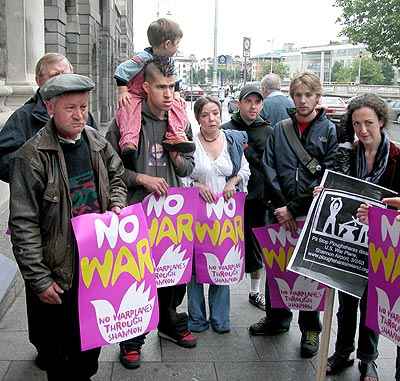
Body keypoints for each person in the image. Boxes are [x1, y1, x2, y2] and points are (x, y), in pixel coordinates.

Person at [9, 73, 127, 381]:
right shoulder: (31, 156)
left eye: (83, 107)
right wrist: (39, 279)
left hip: (98, 265)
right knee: (61, 354)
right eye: (70, 108)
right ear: (50, 108)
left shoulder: (96, 142)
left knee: (91, 345)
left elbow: (117, 176)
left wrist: (116, 202)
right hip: (59, 272)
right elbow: (23, 224)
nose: (79, 115)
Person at [106, 57, 197, 369]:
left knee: (173, 279)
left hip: (172, 217)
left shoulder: (180, 120)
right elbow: (110, 169)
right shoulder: (125, 119)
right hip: (137, 214)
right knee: (137, 278)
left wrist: (177, 154)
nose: (168, 93)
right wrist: (140, 178)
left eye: (172, 87)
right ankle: (131, 341)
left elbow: (189, 167)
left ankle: (170, 323)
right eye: (161, 87)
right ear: (145, 87)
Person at [249, 72, 337, 359]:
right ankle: (277, 318)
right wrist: (280, 206)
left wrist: (294, 208)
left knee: (310, 272)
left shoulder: (329, 130)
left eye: (307, 95)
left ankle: (311, 327)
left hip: (310, 213)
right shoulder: (280, 129)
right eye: (297, 94)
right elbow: (268, 167)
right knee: (277, 267)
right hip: (279, 210)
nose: (301, 100)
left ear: (317, 97)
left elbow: (326, 174)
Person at [322, 94, 400, 381]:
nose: (363, 130)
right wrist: (325, 193)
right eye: (356, 124)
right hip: (348, 239)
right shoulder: (347, 153)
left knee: (371, 302)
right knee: (346, 301)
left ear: (381, 121)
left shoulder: (396, 157)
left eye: (368, 123)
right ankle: (343, 352)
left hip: (382, 243)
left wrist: (379, 211)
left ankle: (369, 359)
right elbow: (338, 189)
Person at [187, 96, 250, 333]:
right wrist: (196, 186)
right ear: (198, 118)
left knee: (222, 261)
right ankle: (196, 318)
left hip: (225, 213)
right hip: (197, 214)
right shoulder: (191, 144)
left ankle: (220, 318)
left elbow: (245, 169)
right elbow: (182, 175)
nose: (211, 118)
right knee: (195, 267)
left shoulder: (231, 141)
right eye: (205, 114)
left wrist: (232, 182)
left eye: (214, 113)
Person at [0, 53, 97, 184]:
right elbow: (3, 162)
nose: (62, 80)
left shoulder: (84, 115)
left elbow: (100, 157)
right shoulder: (23, 117)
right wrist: (43, 171)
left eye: (65, 74)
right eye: (55, 75)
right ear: (38, 81)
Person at [114, 18, 194, 164]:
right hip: (136, 94)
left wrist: (176, 93)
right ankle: (129, 143)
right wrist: (123, 91)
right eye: (177, 44)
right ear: (167, 44)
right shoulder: (143, 58)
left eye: (169, 87)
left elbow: (188, 169)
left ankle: (176, 135)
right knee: (128, 109)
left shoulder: (170, 61)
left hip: (172, 188)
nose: (167, 93)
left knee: (177, 105)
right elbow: (122, 70)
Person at [221, 85, 273, 311]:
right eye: (248, 101)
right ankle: (219, 286)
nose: (253, 106)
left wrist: (248, 151)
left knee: (256, 245)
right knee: (223, 242)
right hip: (229, 196)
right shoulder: (226, 129)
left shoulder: (268, 130)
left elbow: (271, 164)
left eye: (257, 102)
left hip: (257, 198)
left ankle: (255, 290)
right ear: (239, 103)